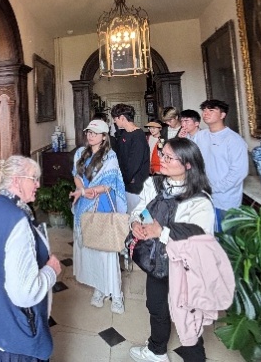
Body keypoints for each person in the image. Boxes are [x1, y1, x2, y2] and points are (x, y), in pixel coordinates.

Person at [128, 137, 215, 362]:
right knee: (156, 306)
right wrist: (136, 222)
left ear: (188, 164)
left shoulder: (199, 199)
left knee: (187, 317)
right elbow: (143, 209)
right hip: (156, 260)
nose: (162, 160)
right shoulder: (155, 184)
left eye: (169, 157)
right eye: (162, 154)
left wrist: (162, 233)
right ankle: (157, 350)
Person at [0, 155, 61, 362]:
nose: (38, 184)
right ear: (17, 181)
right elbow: (24, 294)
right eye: (33, 178)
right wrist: (51, 271)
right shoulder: (17, 220)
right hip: (9, 337)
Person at [70, 119, 127, 314]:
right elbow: (76, 175)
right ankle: (99, 288)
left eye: (95, 133)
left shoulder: (110, 156)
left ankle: (116, 294)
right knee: (90, 250)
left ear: (104, 136)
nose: (90, 135)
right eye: (89, 132)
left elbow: (110, 184)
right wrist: (82, 190)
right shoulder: (80, 152)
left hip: (102, 206)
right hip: (84, 207)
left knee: (106, 252)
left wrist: (90, 191)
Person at [194, 99, 249, 231]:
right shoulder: (200, 136)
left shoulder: (233, 140)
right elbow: (193, 161)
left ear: (222, 115)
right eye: (204, 110)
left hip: (225, 201)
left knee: (224, 238)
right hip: (202, 197)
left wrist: (212, 188)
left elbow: (238, 173)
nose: (206, 113)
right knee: (205, 236)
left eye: (211, 110)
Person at [110, 104, 149, 212]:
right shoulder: (124, 133)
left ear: (122, 118)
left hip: (134, 185)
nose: (115, 121)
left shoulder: (138, 135)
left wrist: (126, 179)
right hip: (125, 182)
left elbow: (135, 162)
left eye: (115, 119)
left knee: (136, 214)